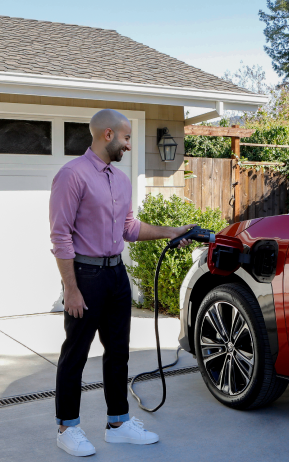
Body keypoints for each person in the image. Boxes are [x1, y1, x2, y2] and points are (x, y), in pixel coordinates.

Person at [49, 109, 194, 457]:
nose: (130, 145)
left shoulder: (121, 179)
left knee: (118, 354)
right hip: (85, 277)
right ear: (108, 135)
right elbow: (61, 236)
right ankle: (67, 427)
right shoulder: (72, 175)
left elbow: (129, 228)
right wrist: (70, 288)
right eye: (127, 138)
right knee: (76, 355)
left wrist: (169, 232)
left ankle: (118, 423)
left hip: (116, 276)